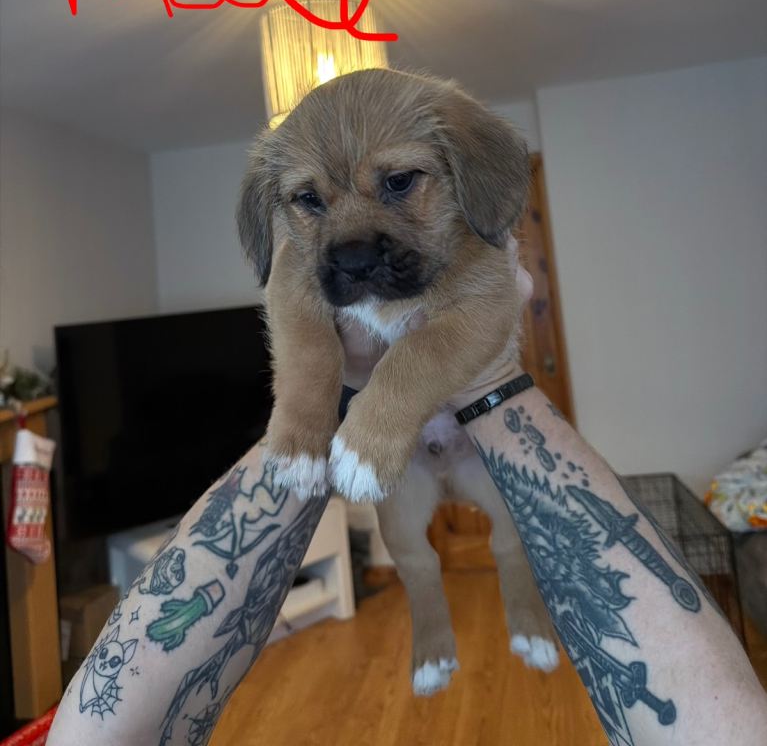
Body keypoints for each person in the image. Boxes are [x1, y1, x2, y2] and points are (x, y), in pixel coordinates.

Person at [47, 243, 767, 746]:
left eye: (398, 183)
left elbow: (98, 731)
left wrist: (478, 369)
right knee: (409, 547)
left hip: (449, 426)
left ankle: (519, 608)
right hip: (400, 440)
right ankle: (433, 631)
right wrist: (323, 404)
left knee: (508, 537)